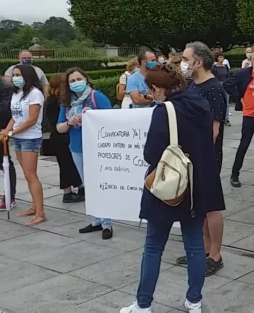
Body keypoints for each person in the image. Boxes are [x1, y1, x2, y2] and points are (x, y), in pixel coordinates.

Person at [120, 65, 221, 313]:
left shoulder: (164, 111)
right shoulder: (200, 104)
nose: (151, 95)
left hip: (170, 185)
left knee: (154, 246)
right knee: (196, 246)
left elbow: (151, 154)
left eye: (150, 90)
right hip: (197, 184)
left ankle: (143, 305)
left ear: (157, 88)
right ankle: (194, 301)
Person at [176, 42, 228, 276]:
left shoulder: (213, 88)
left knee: (211, 207)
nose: (182, 63)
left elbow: (214, 131)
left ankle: (215, 254)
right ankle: (204, 249)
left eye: (186, 58)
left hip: (205, 155)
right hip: (189, 154)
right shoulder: (190, 86)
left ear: (198, 61)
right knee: (198, 206)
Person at [56, 68, 113, 237]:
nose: (76, 83)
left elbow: (112, 118)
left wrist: (91, 115)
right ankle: (96, 219)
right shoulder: (66, 101)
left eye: (78, 78)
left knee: (100, 184)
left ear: (86, 79)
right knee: (88, 184)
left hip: (96, 146)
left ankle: (107, 223)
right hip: (77, 147)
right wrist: (69, 121)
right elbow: (59, 127)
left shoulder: (96, 96)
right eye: (72, 81)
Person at [2, 65, 46, 225]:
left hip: (30, 138)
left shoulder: (35, 94)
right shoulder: (17, 94)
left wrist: (13, 132)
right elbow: (15, 117)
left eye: (18, 75)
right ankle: (34, 206)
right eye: (14, 75)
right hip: (19, 138)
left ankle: (40, 212)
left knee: (31, 175)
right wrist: (7, 131)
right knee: (27, 175)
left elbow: (32, 119)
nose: (15, 78)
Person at [224, 49, 254, 187]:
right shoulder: (243, 74)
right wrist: (240, 97)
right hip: (249, 113)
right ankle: (235, 174)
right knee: (244, 143)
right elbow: (227, 84)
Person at [44, 74, 83, 203]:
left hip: (58, 136)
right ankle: (69, 191)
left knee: (66, 164)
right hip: (62, 136)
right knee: (68, 164)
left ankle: (74, 188)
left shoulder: (51, 99)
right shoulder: (57, 101)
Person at [0, 75, 15, 210]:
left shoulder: (4, 87)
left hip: (1, 129)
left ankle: (10, 196)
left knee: (4, 163)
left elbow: (4, 110)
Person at [211, 49, 231, 126]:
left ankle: (226, 119)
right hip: (218, 85)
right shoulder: (214, 68)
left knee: (227, 102)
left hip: (225, 85)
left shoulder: (225, 67)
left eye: (222, 57)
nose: (222, 59)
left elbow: (228, 76)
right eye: (220, 57)